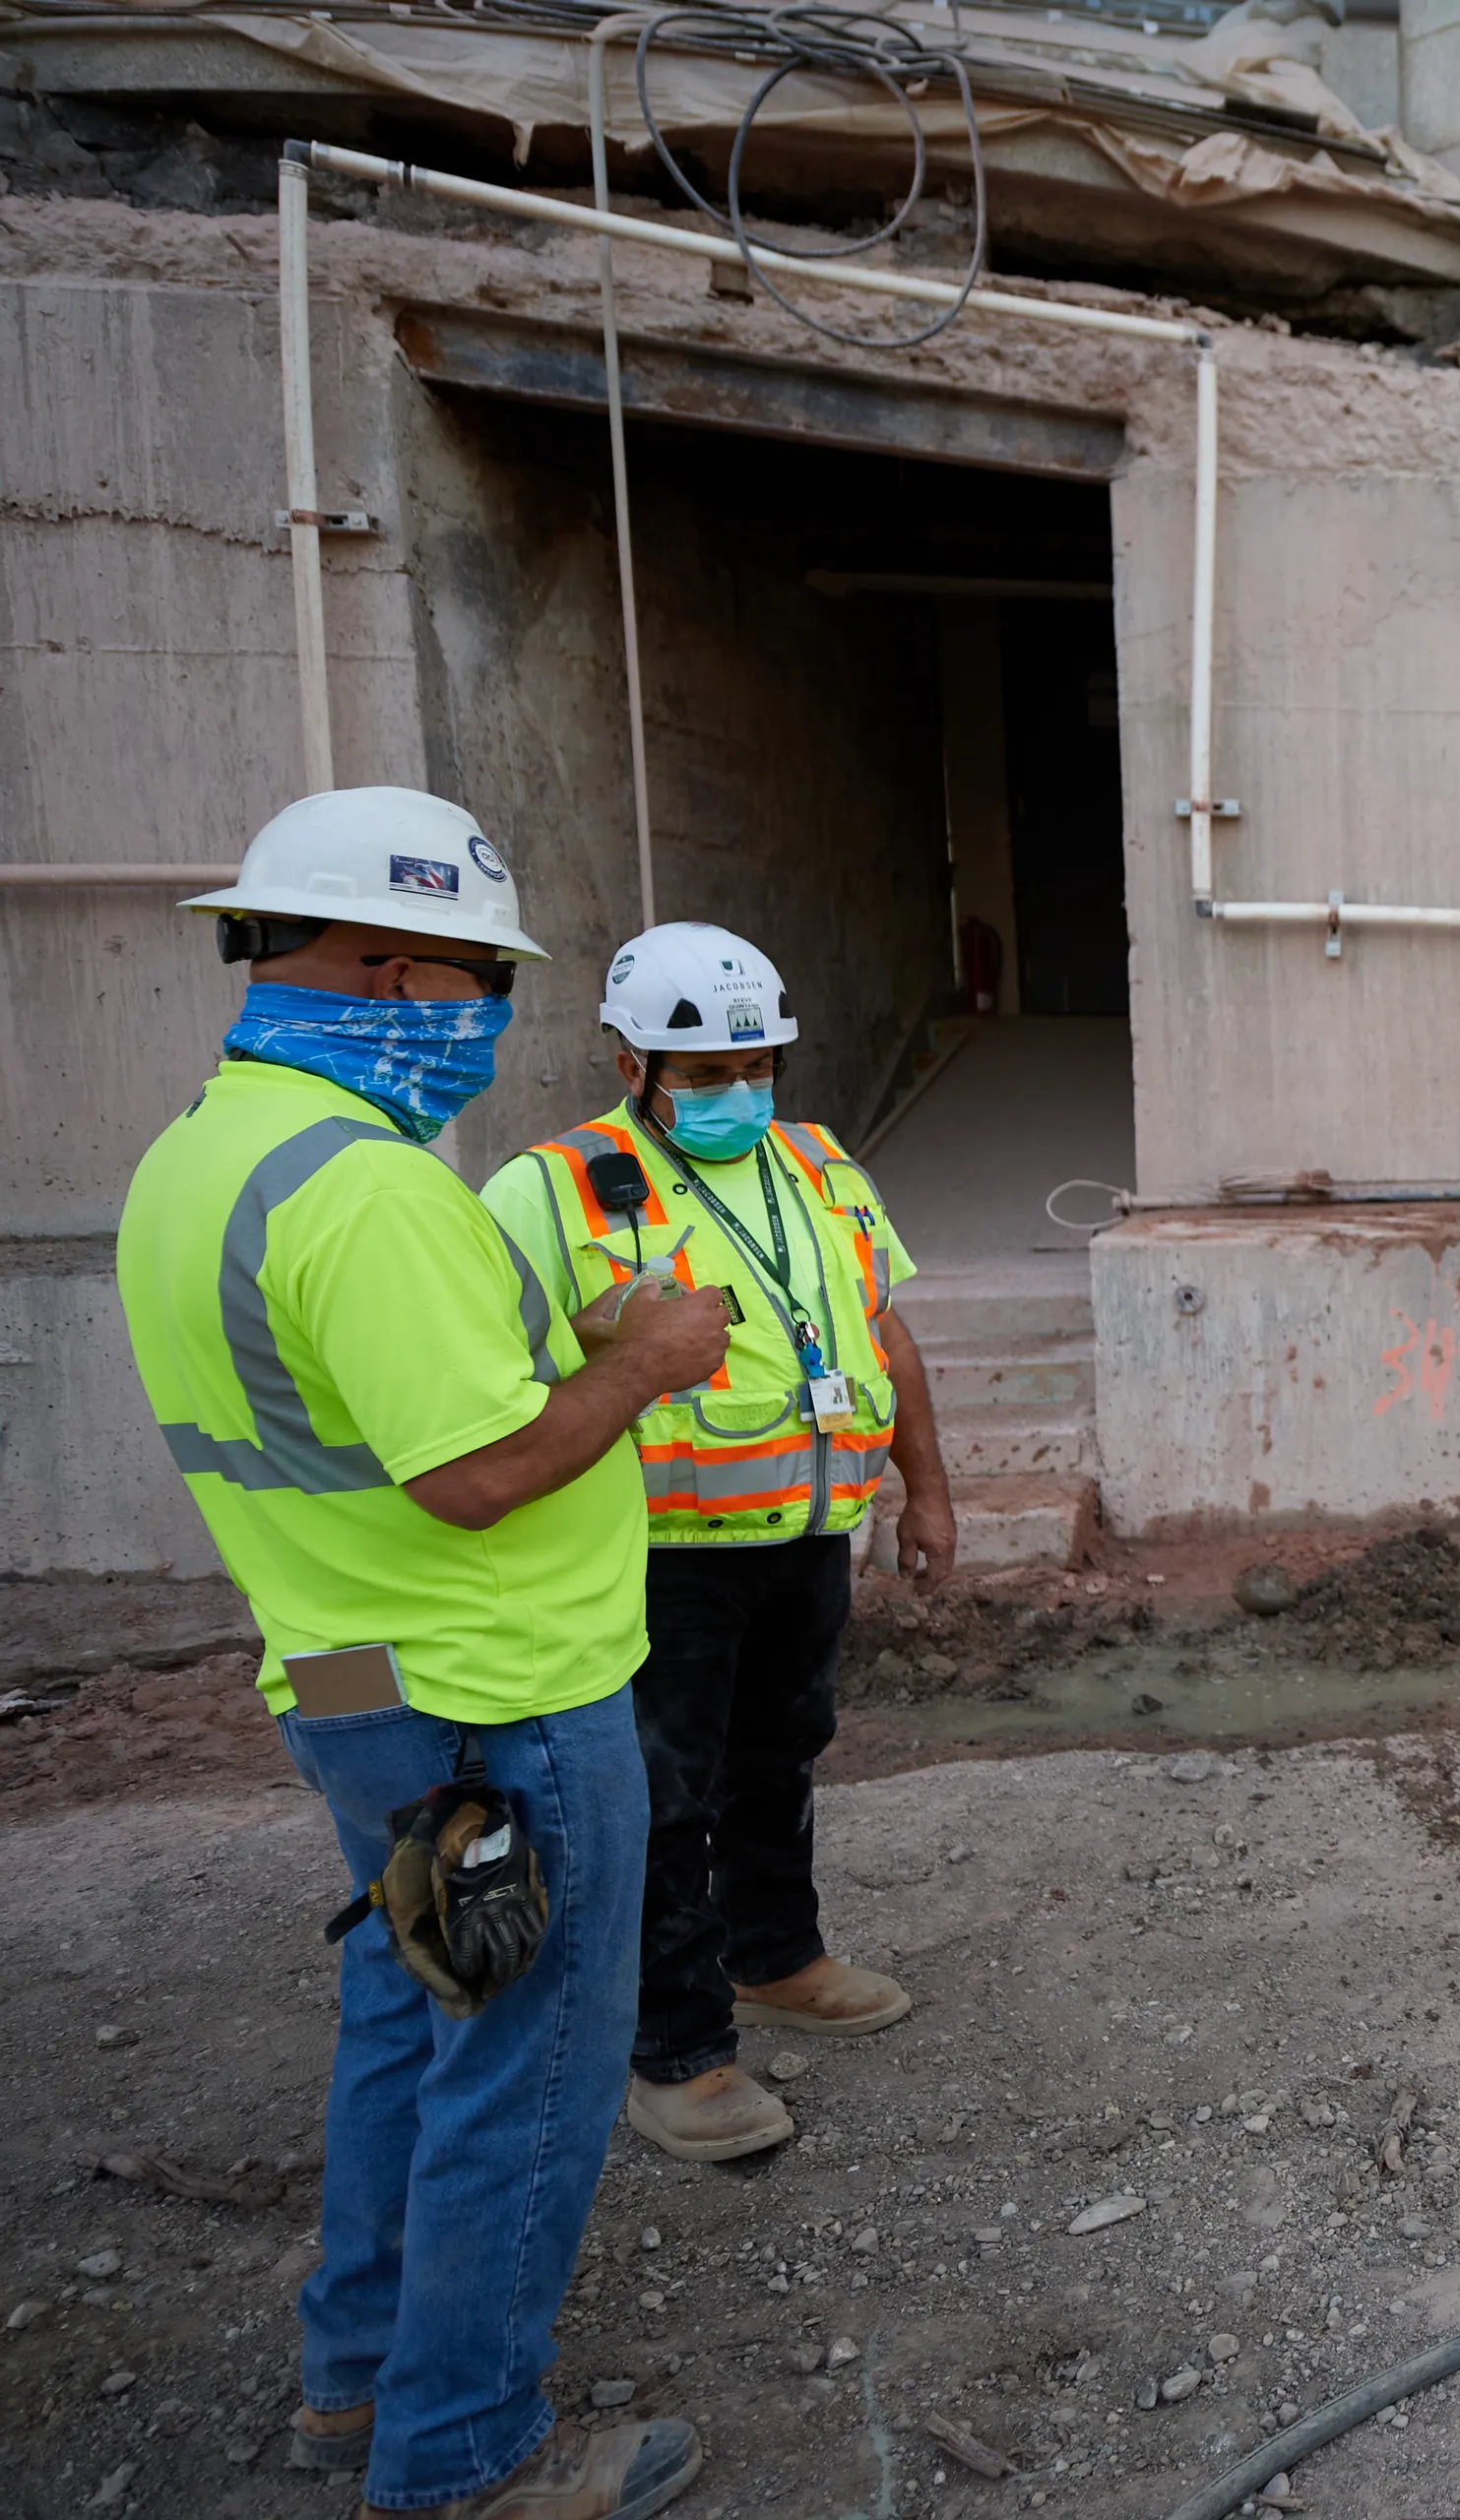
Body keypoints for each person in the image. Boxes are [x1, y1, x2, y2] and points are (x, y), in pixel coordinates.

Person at [118, 788, 722, 2520]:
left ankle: (357, 2382)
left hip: (353, 1683)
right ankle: (461, 2457)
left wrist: (570, 1339)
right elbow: (475, 1474)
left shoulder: (204, 1157)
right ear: (393, 970)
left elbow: (373, 1407)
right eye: (475, 984)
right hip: (499, 1693)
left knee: (419, 2007)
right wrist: (652, 1354)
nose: (479, 1022)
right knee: (525, 2060)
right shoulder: (367, 1190)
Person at [480, 923, 949, 2166]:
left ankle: (775, 1956)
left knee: (781, 1755)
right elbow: (485, 1382)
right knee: (658, 1799)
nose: (737, 1092)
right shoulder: (549, 1189)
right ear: (631, 1062)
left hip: (805, 1531)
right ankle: (677, 2056)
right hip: (655, 1557)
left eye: (757, 1066)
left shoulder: (821, 1165)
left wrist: (927, 1492)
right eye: (702, 1075)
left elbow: (883, 1336)